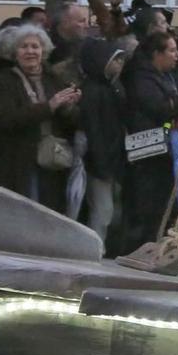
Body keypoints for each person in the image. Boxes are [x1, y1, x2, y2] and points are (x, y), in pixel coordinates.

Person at [121, 30, 178, 252]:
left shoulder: (167, 75)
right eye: (171, 50)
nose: (177, 54)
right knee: (152, 205)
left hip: (169, 152)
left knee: (169, 202)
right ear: (156, 54)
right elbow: (159, 108)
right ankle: (147, 247)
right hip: (150, 154)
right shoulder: (141, 78)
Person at [0, 25, 82, 212]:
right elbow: (5, 119)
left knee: (52, 212)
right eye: (24, 46)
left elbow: (71, 122)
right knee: (27, 212)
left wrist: (68, 107)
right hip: (19, 160)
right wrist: (49, 106)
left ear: (43, 50)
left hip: (53, 159)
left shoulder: (53, 78)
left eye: (35, 46)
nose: (30, 51)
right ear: (14, 52)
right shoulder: (4, 80)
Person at [74, 38, 131, 250]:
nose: (119, 65)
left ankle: (99, 246)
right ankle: (95, 248)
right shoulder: (94, 91)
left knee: (104, 208)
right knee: (102, 209)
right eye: (115, 60)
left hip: (109, 158)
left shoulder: (111, 87)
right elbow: (94, 130)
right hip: (100, 161)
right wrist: (101, 163)